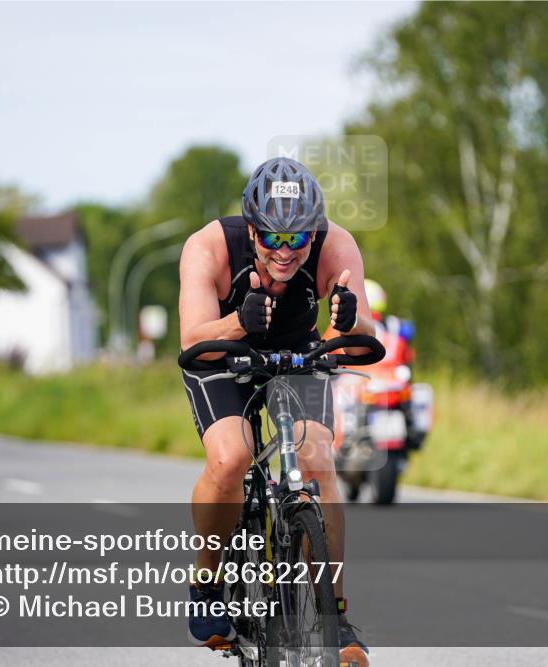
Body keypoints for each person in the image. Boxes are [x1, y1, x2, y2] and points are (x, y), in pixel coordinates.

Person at [178, 157, 375, 666]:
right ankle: (208, 579)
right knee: (230, 457)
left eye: (298, 239)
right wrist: (235, 325)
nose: (286, 252)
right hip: (221, 354)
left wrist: (351, 324)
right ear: (251, 228)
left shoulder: (336, 246)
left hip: (296, 353)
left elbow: (365, 342)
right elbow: (191, 338)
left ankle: (335, 612)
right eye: (272, 239)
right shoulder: (209, 247)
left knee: (315, 457)